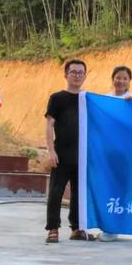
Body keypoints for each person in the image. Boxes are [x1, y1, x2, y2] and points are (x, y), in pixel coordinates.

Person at [44, 59, 93, 243]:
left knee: (79, 193)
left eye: (81, 73)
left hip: (83, 154)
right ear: (66, 75)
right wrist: (51, 150)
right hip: (62, 153)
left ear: (85, 76)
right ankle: (53, 228)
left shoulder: (88, 99)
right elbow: (49, 124)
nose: (77, 76)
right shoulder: (57, 98)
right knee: (56, 191)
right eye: (73, 72)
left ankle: (77, 228)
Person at [98, 66, 132, 242]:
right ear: (112, 79)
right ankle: (108, 227)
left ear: (129, 82)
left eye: (125, 78)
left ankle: (116, 226)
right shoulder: (104, 100)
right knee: (106, 187)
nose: (121, 81)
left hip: (124, 154)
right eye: (118, 77)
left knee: (121, 188)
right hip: (106, 152)